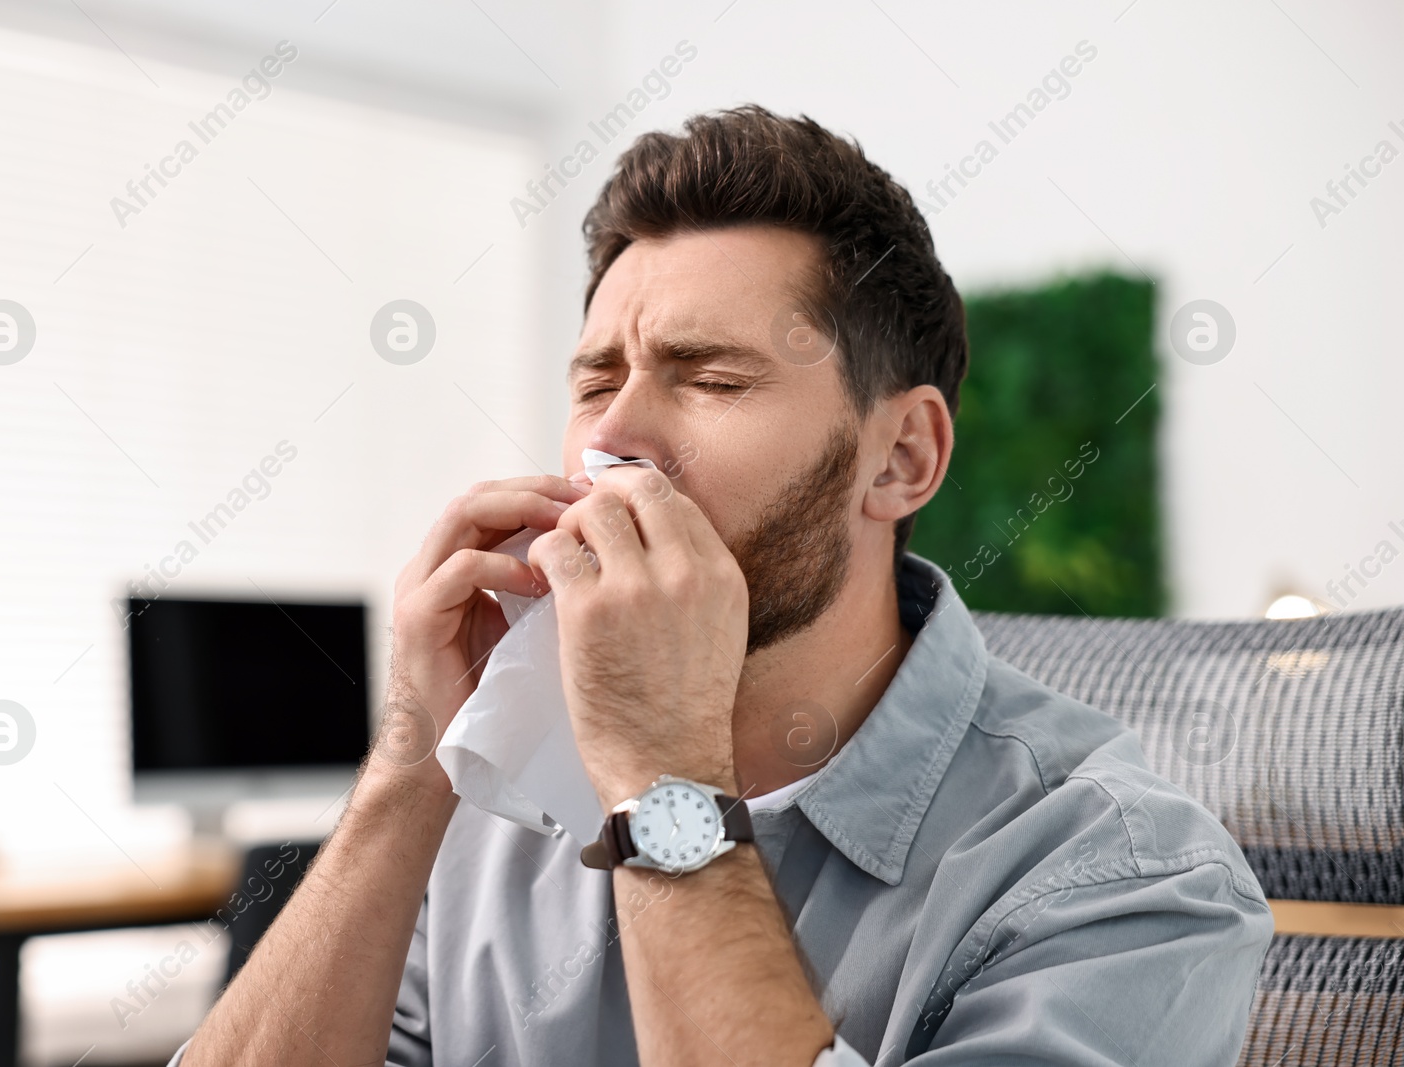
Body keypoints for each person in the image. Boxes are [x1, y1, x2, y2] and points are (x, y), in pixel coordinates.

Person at [174, 105, 1272, 1066]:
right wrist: (412, 765)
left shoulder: (1120, 873)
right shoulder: (490, 797)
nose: (613, 436)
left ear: (899, 459)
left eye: (710, 378)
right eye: (596, 380)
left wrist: (661, 781)